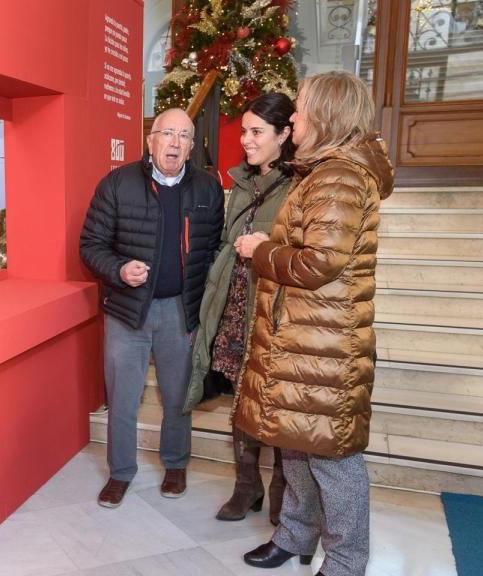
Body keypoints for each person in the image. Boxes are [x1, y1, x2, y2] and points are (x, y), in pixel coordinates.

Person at [233, 72, 393, 576]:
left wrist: (262, 251)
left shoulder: (341, 177)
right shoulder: (324, 171)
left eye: (300, 109)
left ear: (325, 115)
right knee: (296, 445)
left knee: (333, 461)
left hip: (325, 345)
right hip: (304, 341)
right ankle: (295, 535)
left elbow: (318, 262)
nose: (294, 117)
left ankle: (345, 563)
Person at [79, 108, 225, 508]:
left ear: (193, 146)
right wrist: (120, 268)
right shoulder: (117, 184)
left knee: (179, 396)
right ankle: (120, 473)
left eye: (184, 136)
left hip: (181, 311)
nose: (175, 143)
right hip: (127, 311)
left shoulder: (208, 189)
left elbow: (214, 250)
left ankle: (175, 465)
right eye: (167, 133)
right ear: (151, 139)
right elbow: (90, 246)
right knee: (123, 397)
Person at [186, 93, 296, 525]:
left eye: (256, 132)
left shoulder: (299, 184)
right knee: (241, 402)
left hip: (273, 310)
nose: (246, 140)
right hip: (234, 305)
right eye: (244, 130)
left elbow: (300, 252)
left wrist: (266, 245)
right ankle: (246, 485)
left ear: (285, 134)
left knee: (279, 406)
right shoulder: (242, 183)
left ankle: (283, 491)